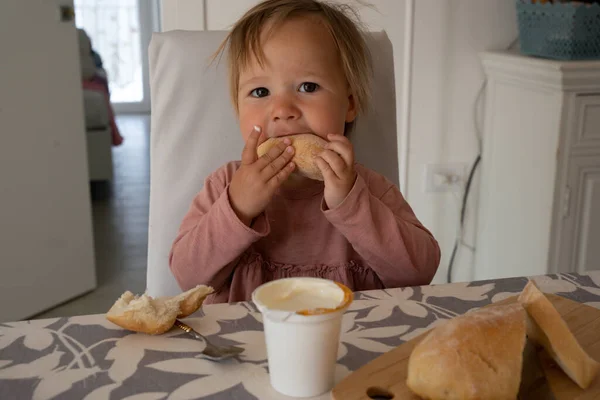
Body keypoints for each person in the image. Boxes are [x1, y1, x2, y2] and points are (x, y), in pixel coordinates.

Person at [169, 0, 440, 304]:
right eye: (260, 92)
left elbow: (419, 273)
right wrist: (238, 208)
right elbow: (187, 277)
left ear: (349, 104)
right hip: (246, 345)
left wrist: (350, 204)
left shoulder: (368, 188)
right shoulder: (227, 185)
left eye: (308, 87)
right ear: (238, 110)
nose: (283, 110)